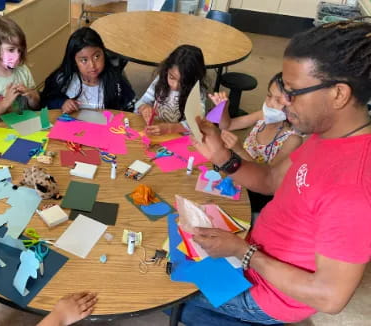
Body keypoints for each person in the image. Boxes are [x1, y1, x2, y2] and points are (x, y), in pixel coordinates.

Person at [182, 19, 371, 325]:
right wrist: (220, 155)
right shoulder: (325, 136)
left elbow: (329, 296)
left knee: (166, 289)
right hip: (253, 248)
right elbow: (270, 181)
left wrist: (245, 253)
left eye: (293, 92)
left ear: (338, 94)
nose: (283, 103)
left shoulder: (353, 189)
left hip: (267, 292)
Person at [212, 73, 303, 213]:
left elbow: (265, 178)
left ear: (294, 107)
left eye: (278, 101)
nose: (269, 103)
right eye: (269, 96)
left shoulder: (292, 140)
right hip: (239, 176)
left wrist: (239, 150)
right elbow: (227, 125)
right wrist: (224, 109)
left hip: (256, 195)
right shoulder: (263, 116)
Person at [41, 27, 135, 112]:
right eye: (84, 60)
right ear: (74, 61)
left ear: (104, 53)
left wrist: (141, 107)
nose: (92, 65)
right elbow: (46, 101)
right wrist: (62, 103)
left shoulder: (116, 80)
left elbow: (131, 106)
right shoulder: (63, 79)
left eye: (97, 56)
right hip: (73, 128)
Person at [0, 15, 41, 123]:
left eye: (19, 50)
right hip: (2, 132)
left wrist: (31, 95)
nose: (17, 55)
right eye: (11, 50)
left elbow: (36, 104)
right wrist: (5, 102)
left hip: (26, 124)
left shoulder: (23, 70)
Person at [135, 45, 207, 136]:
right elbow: (141, 102)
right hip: (158, 130)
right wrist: (144, 108)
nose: (175, 85)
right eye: (171, 77)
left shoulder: (198, 92)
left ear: (194, 79)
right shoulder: (161, 80)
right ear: (167, 70)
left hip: (180, 137)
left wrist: (170, 128)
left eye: (183, 82)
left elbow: (196, 122)